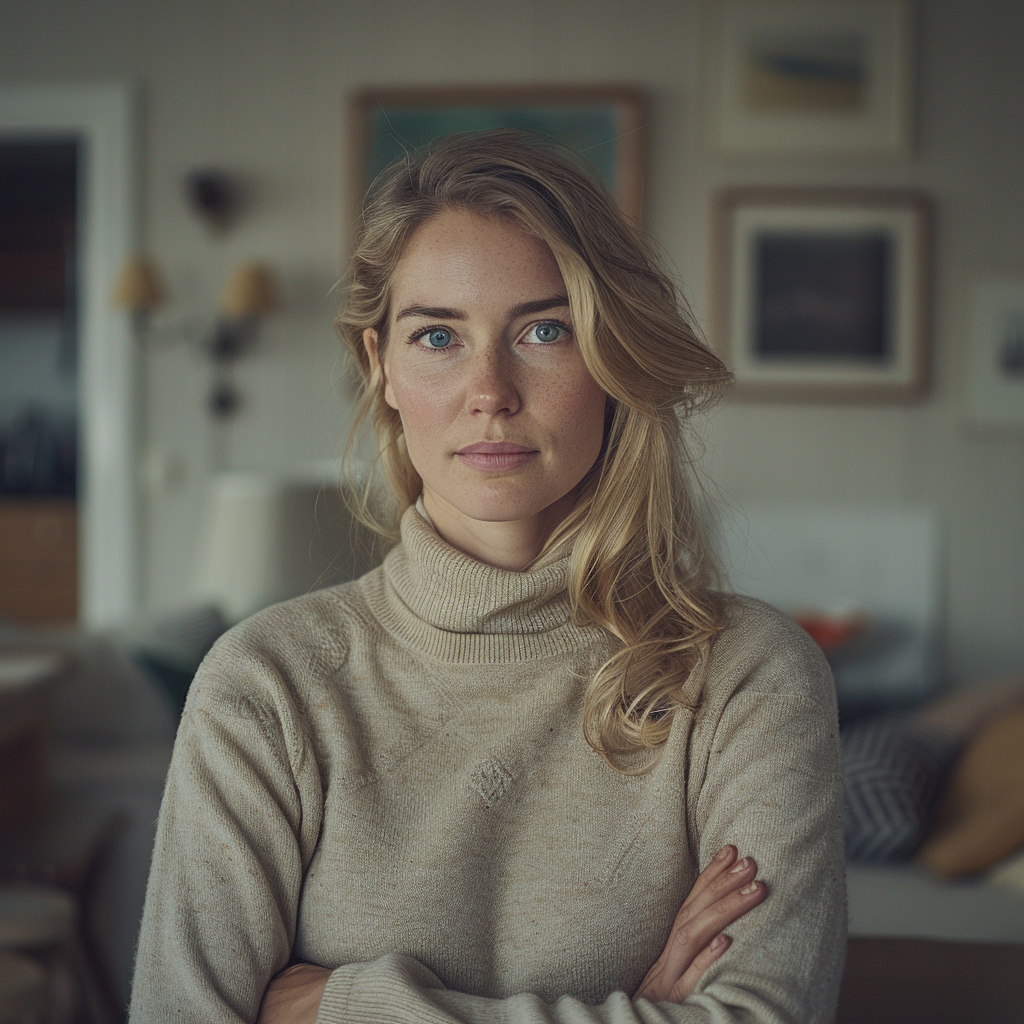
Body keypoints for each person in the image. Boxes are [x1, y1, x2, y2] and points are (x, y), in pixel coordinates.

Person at [129, 130, 846, 1024]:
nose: (490, 390)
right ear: (377, 364)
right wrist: (636, 1010)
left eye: (545, 330)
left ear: (613, 357)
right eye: (437, 335)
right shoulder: (266, 685)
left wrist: (342, 1009)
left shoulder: (747, 673)